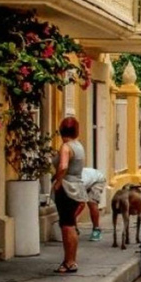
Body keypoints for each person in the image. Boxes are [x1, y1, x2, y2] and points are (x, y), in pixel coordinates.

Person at [53, 117, 89, 274]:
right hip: (77, 187)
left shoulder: (66, 147)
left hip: (67, 188)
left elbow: (63, 166)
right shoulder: (79, 146)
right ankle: (71, 260)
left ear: (61, 130)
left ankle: (69, 261)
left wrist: (58, 181)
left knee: (66, 225)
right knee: (71, 224)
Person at [74, 167, 106, 241]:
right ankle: (74, 228)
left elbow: (81, 203)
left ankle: (96, 229)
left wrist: (72, 217)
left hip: (97, 180)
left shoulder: (80, 182)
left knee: (92, 203)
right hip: (88, 179)